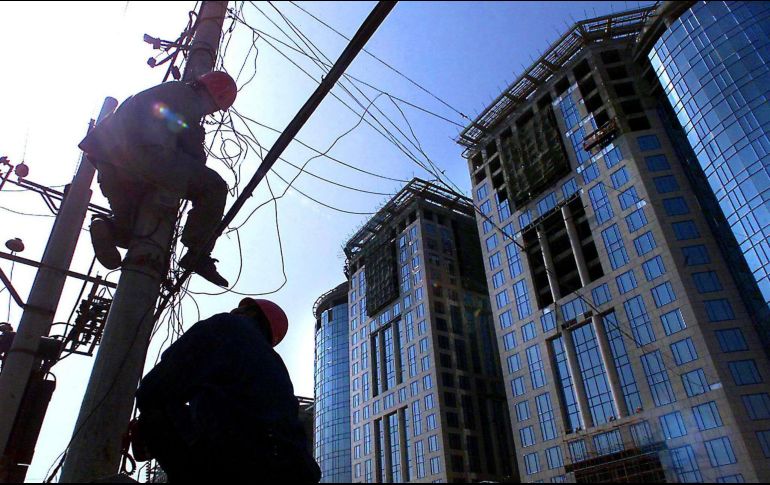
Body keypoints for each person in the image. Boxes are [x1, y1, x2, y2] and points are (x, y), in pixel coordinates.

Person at [133, 298, 321, 483]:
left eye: (242, 308)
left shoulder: (227, 326)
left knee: (153, 411)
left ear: (252, 313)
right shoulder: (276, 366)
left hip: (237, 463)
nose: (234, 310)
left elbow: (154, 388)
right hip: (292, 470)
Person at [78, 71, 237, 287]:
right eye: (216, 108)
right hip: (148, 156)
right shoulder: (186, 97)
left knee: (132, 233)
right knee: (214, 187)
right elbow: (191, 146)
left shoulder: (166, 91)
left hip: (111, 165)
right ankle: (197, 253)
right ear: (215, 96)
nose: (212, 112)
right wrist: (196, 153)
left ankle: (105, 226)